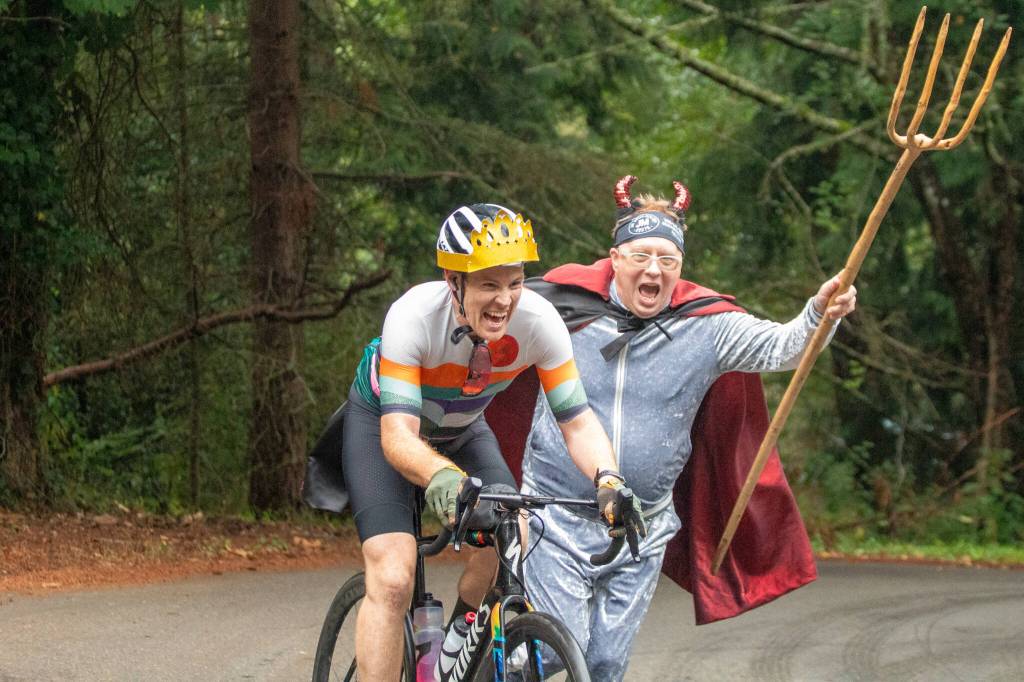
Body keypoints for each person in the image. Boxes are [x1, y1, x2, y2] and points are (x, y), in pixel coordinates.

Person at [486, 176, 857, 681]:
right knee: (552, 652)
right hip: (557, 515)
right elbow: (478, 325)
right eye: (640, 256)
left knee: (606, 664)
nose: (654, 270)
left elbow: (785, 347)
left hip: (642, 524)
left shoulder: (706, 326)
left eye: (668, 259)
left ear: (680, 267)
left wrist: (820, 313)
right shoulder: (558, 309)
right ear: (614, 258)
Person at [303, 203, 638, 682]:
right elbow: (399, 437)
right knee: (395, 575)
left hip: (461, 429)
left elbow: (578, 422)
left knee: (512, 532)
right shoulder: (413, 317)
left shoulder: (539, 323)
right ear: (452, 280)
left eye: (515, 282)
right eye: (489, 284)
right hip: (386, 425)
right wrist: (441, 475)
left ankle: (456, 643)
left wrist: (608, 479)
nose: (505, 300)